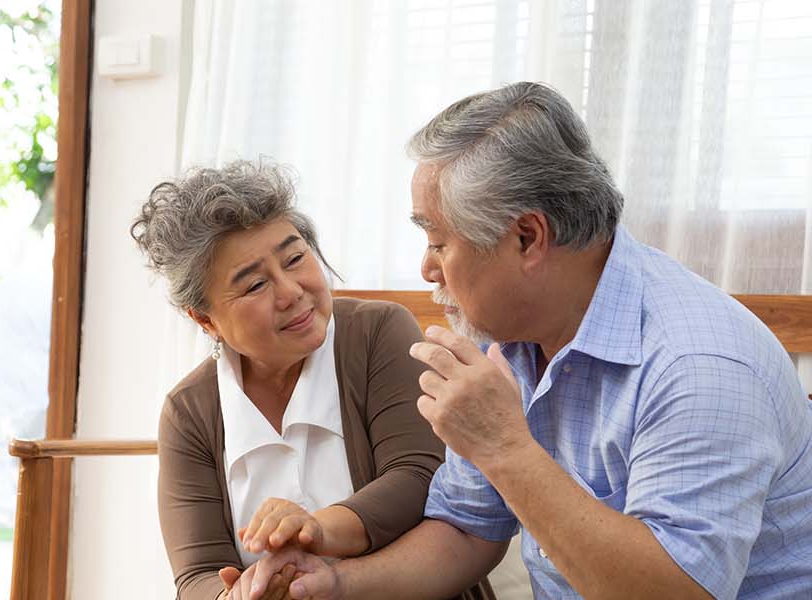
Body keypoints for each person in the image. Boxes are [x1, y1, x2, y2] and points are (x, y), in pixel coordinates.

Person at [247, 82, 812, 599]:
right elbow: (468, 527)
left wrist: (503, 446)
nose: (426, 268)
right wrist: (336, 583)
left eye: (439, 242)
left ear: (527, 237)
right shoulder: (511, 338)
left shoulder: (700, 364)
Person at [133, 161, 492, 600]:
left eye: (295, 258)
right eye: (254, 286)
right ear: (205, 319)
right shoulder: (188, 411)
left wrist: (315, 529)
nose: (290, 292)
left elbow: (419, 476)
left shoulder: (378, 331)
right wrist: (242, 594)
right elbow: (197, 574)